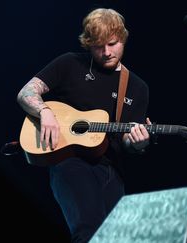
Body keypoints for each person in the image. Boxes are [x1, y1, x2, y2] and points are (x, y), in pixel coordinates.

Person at [16, 8, 151, 243]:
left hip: (111, 170)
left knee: (116, 238)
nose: (107, 52)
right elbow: (27, 92)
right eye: (99, 46)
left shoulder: (137, 87)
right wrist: (44, 111)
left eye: (112, 43)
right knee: (89, 232)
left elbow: (128, 142)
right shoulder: (70, 63)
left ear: (123, 38)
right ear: (88, 44)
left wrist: (139, 143)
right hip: (70, 162)